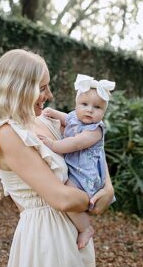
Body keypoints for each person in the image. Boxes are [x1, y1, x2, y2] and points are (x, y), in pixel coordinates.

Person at [0, 50, 115, 267]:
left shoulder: (45, 120)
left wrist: (107, 188)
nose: (49, 95)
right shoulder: (7, 134)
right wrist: (93, 200)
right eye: (42, 88)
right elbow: (61, 198)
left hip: (72, 230)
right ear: (18, 88)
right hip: (47, 239)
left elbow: (90, 151)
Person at [40, 74, 117, 250]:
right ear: (76, 105)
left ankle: (86, 228)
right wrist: (53, 113)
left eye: (97, 107)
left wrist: (53, 144)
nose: (89, 110)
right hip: (76, 169)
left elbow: (75, 143)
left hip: (86, 174)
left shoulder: (95, 130)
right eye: (84, 104)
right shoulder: (75, 117)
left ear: (104, 112)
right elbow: (66, 119)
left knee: (68, 191)